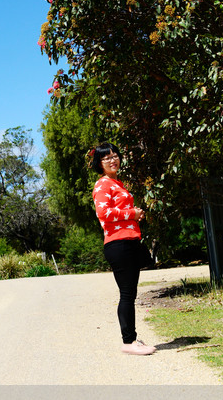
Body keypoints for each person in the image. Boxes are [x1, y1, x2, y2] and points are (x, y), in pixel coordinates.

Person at [91, 141, 156, 356]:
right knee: (127, 294)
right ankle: (129, 342)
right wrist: (132, 214)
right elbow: (104, 214)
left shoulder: (117, 183)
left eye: (115, 155)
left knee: (130, 292)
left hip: (128, 240)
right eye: (106, 157)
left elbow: (118, 211)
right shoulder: (103, 185)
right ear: (99, 163)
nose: (113, 159)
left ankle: (132, 339)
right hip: (117, 243)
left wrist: (135, 213)